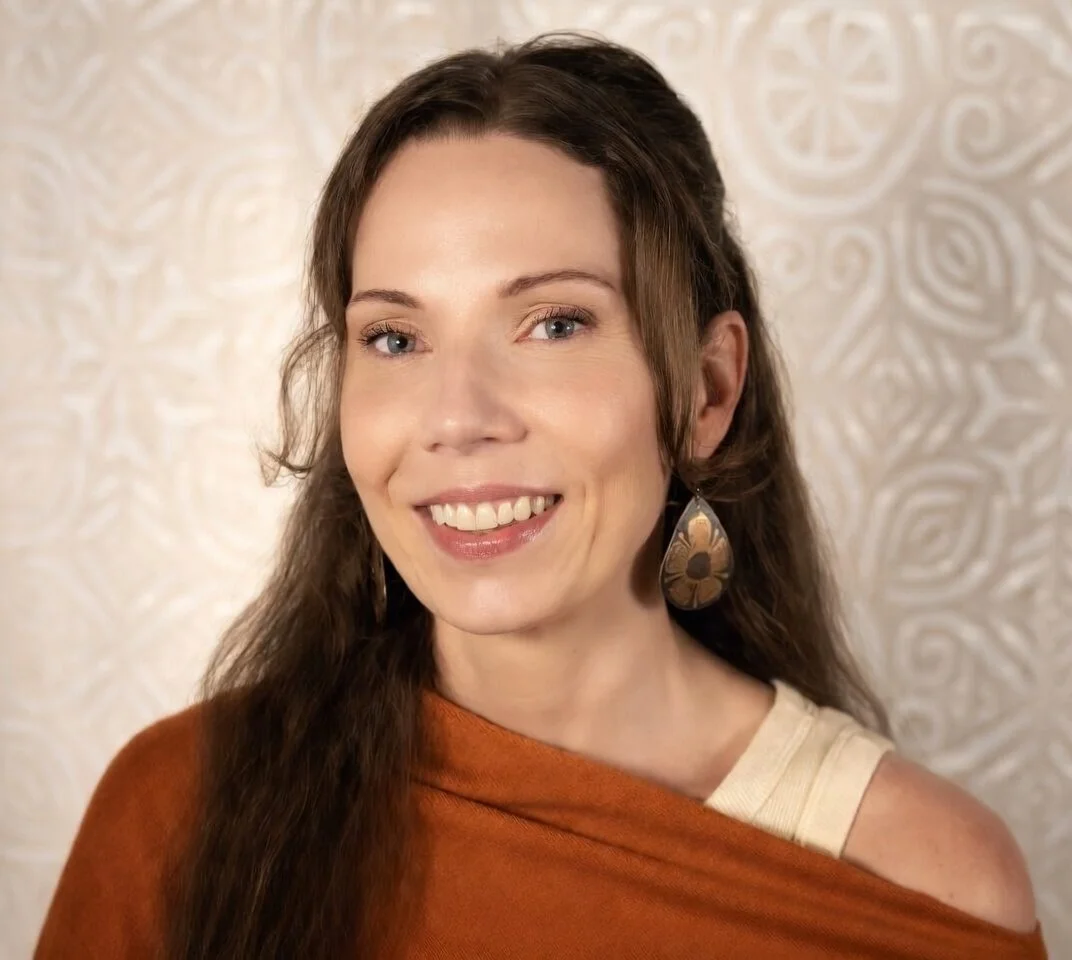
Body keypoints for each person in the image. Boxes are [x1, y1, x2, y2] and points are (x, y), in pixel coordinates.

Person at [36, 32, 1047, 959]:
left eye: (553, 324)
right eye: (395, 338)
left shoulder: (927, 878)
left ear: (706, 390)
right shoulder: (182, 811)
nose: (457, 415)